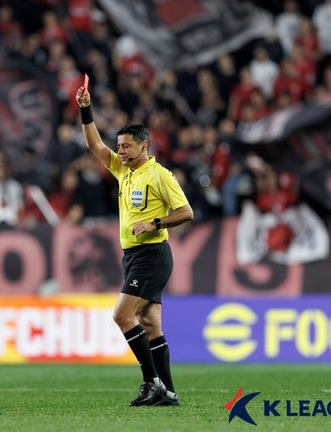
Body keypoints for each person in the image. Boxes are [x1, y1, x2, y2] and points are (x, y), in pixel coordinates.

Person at [75, 87, 194, 406]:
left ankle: (151, 381)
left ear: (144, 145)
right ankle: (168, 392)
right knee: (150, 324)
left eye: (127, 146)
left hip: (152, 255)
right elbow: (93, 144)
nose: (121, 151)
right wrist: (86, 110)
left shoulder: (160, 175)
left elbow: (186, 212)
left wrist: (154, 223)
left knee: (122, 315)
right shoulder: (123, 171)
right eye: (120, 146)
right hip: (133, 256)